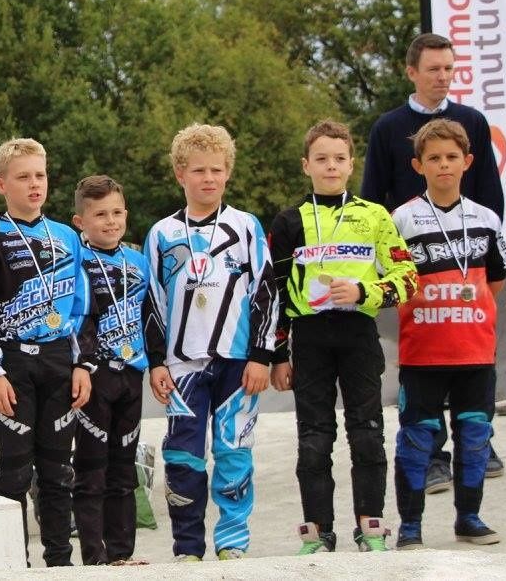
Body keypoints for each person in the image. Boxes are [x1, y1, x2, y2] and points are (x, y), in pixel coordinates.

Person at [361, 32, 505, 489]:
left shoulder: (472, 121)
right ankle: (433, 454)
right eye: (433, 69)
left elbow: (490, 192)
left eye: (449, 68)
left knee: (472, 354)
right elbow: (372, 198)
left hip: (466, 261)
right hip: (414, 263)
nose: (443, 77)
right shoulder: (388, 127)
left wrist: (486, 256)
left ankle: (478, 444)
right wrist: (382, 260)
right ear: (412, 72)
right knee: (425, 359)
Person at [270, 120, 417, 554]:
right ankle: (318, 532)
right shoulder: (288, 220)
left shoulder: (375, 216)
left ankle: (370, 526)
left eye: (339, 158)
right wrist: (278, 354)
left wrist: (364, 291)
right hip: (309, 338)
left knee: (367, 432)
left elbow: (408, 277)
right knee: (314, 438)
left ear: (352, 164)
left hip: (358, 334)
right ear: (306, 165)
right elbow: (275, 293)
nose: (330, 166)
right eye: (321, 159)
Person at [142, 123, 277, 562]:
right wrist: (156, 362)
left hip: (238, 362)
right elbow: (151, 301)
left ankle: (233, 542)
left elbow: (266, 292)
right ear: (180, 174)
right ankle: (188, 548)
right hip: (182, 365)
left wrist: (262, 356)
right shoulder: (162, 234)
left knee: (234, 451)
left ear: (228, 173)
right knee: (183, 456)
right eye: (199, 170)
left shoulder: (246, 226)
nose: (209, 178)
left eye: (217, 170)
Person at [0, 138, 92, 567]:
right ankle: (11, 563)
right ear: (2, 184)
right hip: (12, 363)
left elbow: (84, 307)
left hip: (59, 361)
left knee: (58, 470)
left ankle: (60, 563)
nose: (34, 184)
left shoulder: (68, 237)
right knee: (14, 470)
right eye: (23, 177)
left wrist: (83, 364)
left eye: (40, 175)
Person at [390, 118, 506, 549]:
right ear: (418, 165)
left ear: (467, 162)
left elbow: (495, 281)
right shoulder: (400, 220)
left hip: (474, 351)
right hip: (422, 352)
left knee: (475, 438)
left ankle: (469, 519)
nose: (444, 165)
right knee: (416, 439)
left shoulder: (486, 218)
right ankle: (410, 527)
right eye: (434, 158)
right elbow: (391, 280)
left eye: (452, 157)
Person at [69, 175, 151, 566]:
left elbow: (152, 315)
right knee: (91, 468)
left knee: (124, 469)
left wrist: (158, 363)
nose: (111, 221)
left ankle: (121, 554)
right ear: (80, 222)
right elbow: (75, 318)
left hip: (131, 372)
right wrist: (80, 365)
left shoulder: (139, 261)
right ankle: (94, 557)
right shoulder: (75, 261)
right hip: (94, 374)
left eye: (117, 212)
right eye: (100, 214)